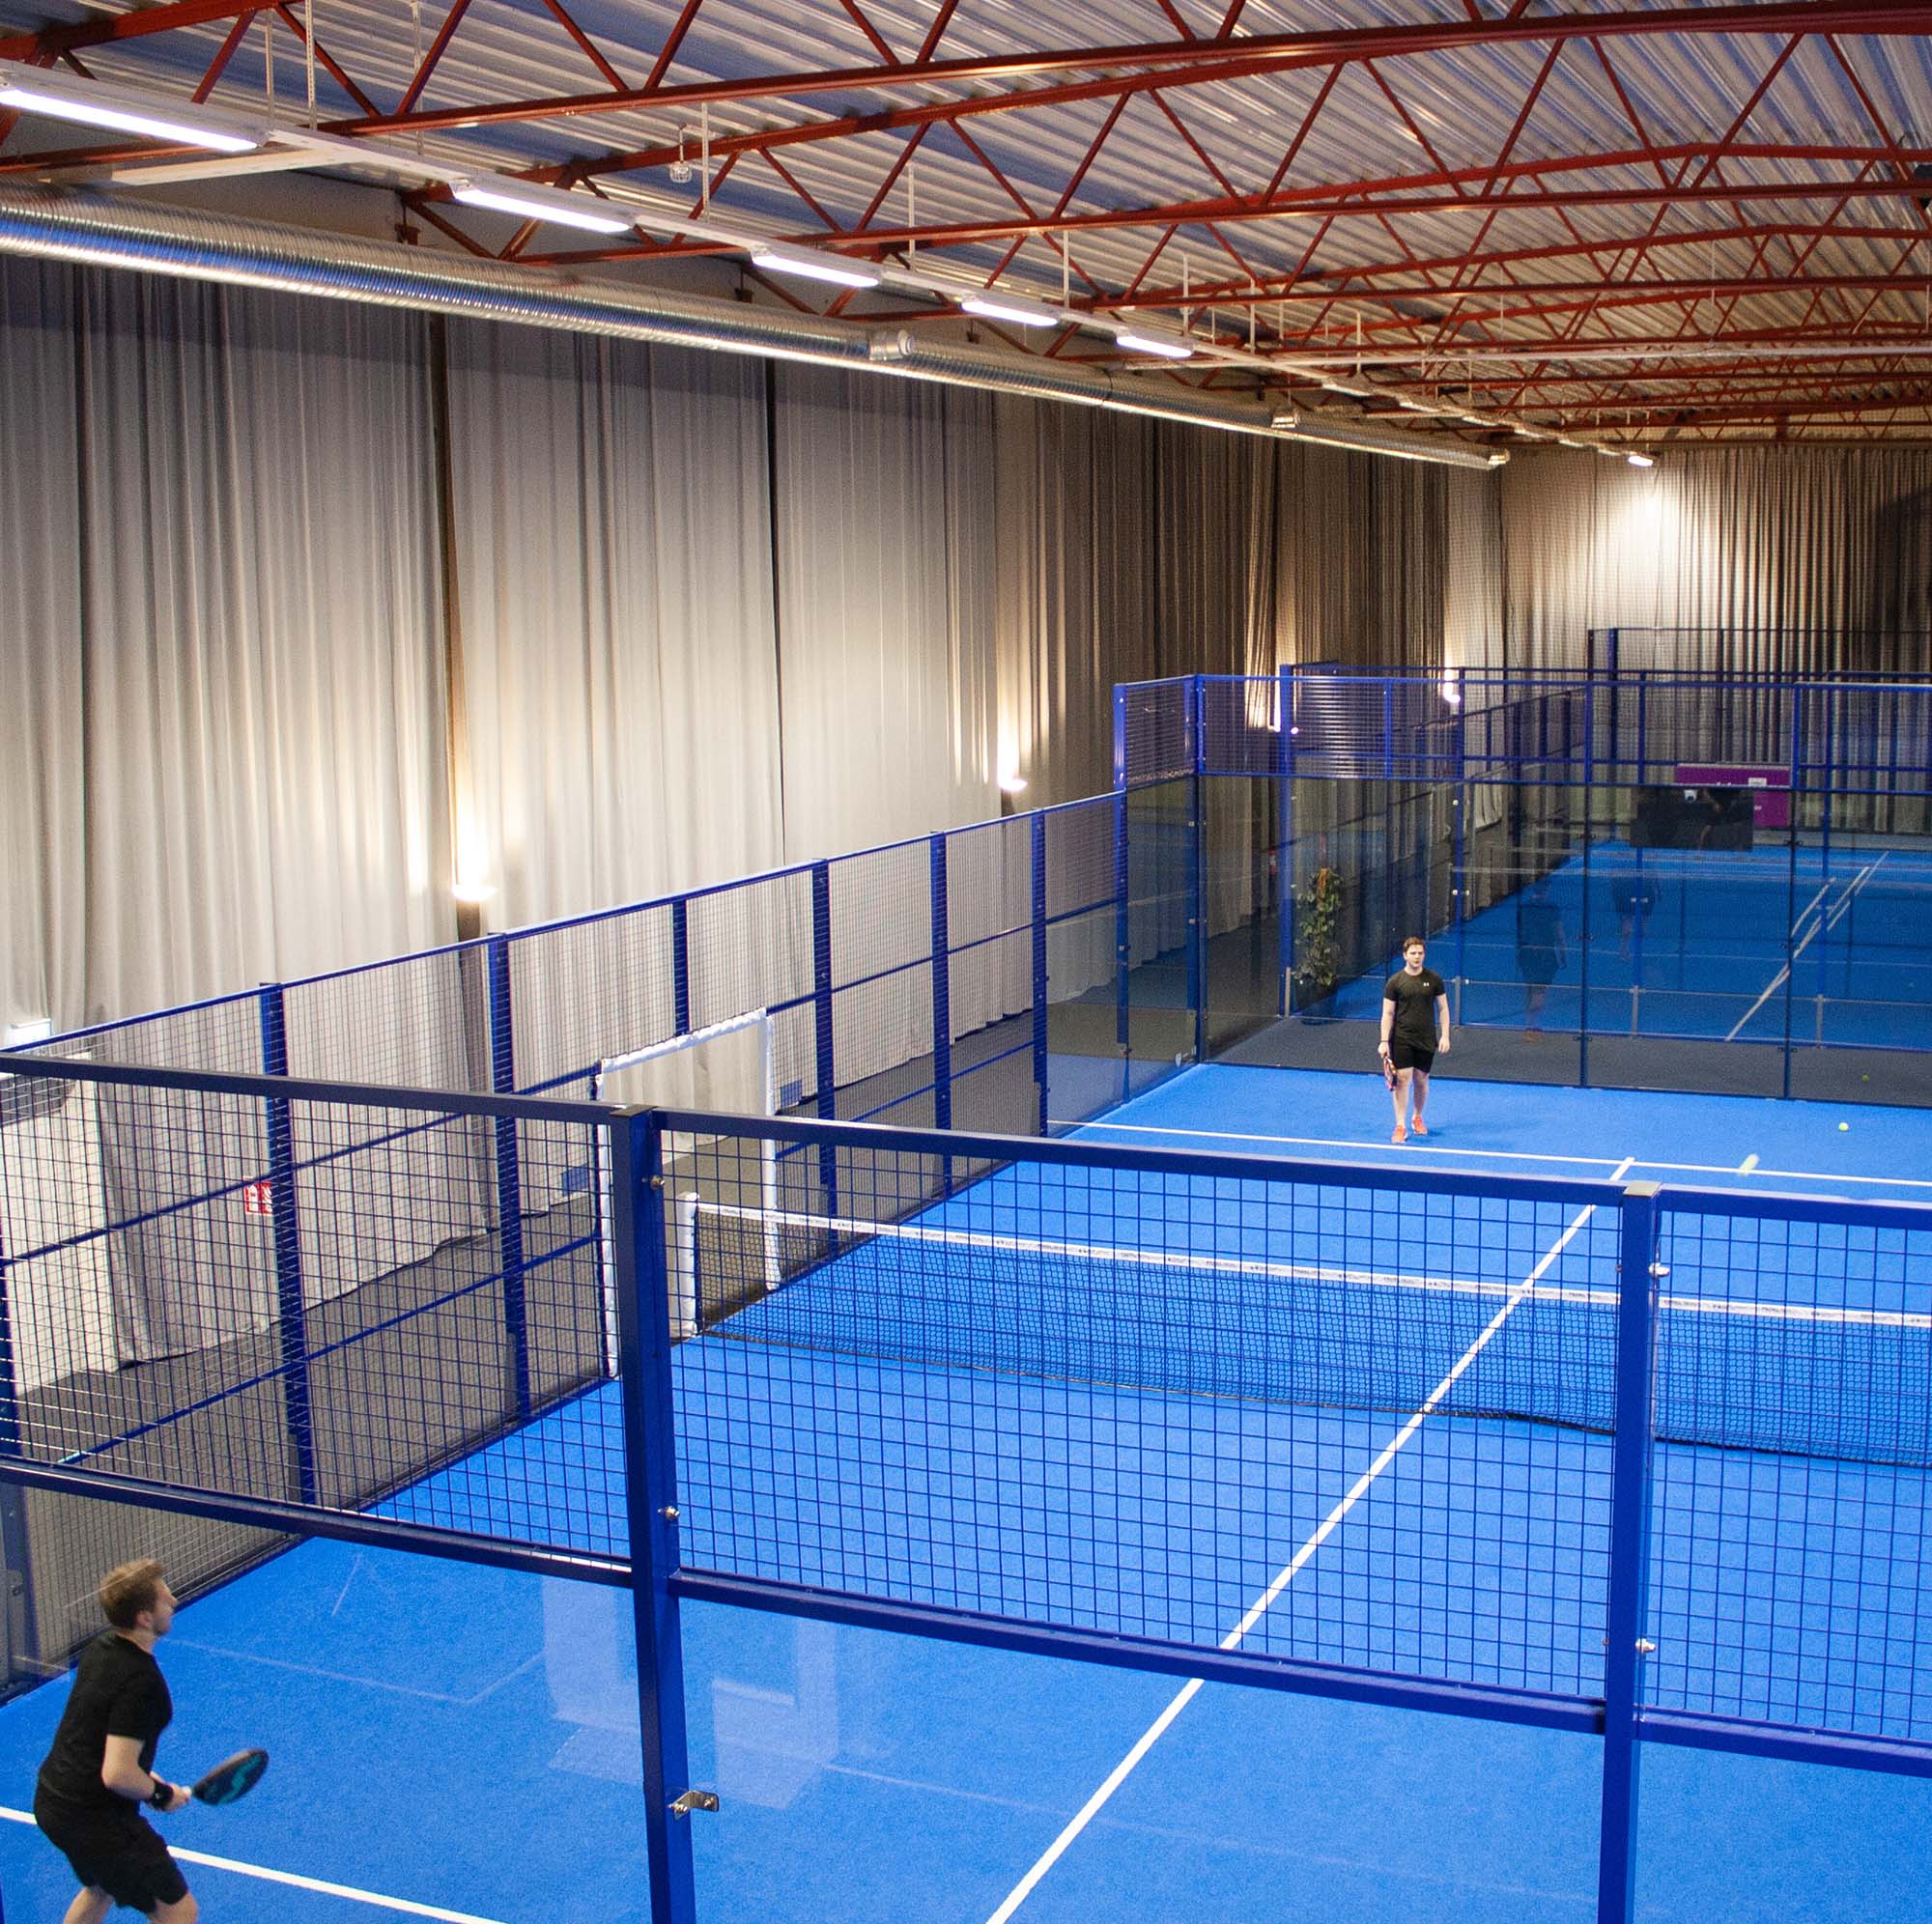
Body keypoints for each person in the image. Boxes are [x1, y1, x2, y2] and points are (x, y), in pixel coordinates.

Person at [34, 1559, 198, 1924]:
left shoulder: (100, 1648)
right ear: (144, 1617)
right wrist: (160, 1794)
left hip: (53, 1802)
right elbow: (117, 1774)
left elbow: (96, 1739)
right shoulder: (143, 1683)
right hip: (94, 1819)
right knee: (179, 1910)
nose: (173, 1600)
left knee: (100, 1887)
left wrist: (147, 1780)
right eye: (164, 1597)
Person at [1378, 935, 1450, 1144]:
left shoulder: (1434, 979)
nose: (1417, 956)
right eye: (1413, 953)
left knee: (1421, 1080)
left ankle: (1417, 1117)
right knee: (1402, 1079)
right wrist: (1384, 1041)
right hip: (1402, 1038)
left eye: (1420, 953)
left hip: (1426, 1038)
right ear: (1405, 955)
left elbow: (1443, 1008)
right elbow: (1388, 1013)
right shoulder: (1395, 982)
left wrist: (1445, 1035)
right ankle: (1400, 1126)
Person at [1514, 876, 1566, 1033]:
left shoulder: (1524, 907)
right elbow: (1559, 933)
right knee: (1540, 989)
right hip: (1545, 952)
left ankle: (1528, 1021)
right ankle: (1533, 1023)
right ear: (1547, 889)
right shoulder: (1551, 908)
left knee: (1529, 987)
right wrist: (1562, 953)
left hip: (1527, 951)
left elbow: (1520, 930)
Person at [1608, 864, 1657, 959]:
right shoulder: (1624, 884)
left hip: (1638, 892)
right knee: (1628, 919)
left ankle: (1627, 947)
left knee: (1632, 919)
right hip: (1631, 891)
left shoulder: (1647, 887)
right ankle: (1624, 948)